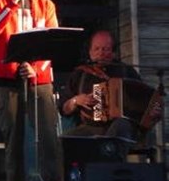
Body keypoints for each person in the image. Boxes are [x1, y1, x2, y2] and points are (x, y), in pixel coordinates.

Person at [0, 0, 62, 181]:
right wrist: (13, 3)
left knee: (48, 134)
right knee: (12, 136)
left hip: (39, 78)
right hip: (7, 79)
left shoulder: (46, 4)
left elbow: (53, 41)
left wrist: (36, 68)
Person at [60, 30, 163, 159]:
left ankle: (110, 173)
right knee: (64, 142)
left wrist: (154, 110)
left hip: (123, 127)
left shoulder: (126, 71)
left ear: (113, 52)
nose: (101, 53)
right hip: (91, 127)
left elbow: (147, 100)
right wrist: (76, 101)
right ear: (90, 52)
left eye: (105, 49)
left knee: (119, 127)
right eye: (96, 49)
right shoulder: (80, 74)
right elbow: (63, 108)